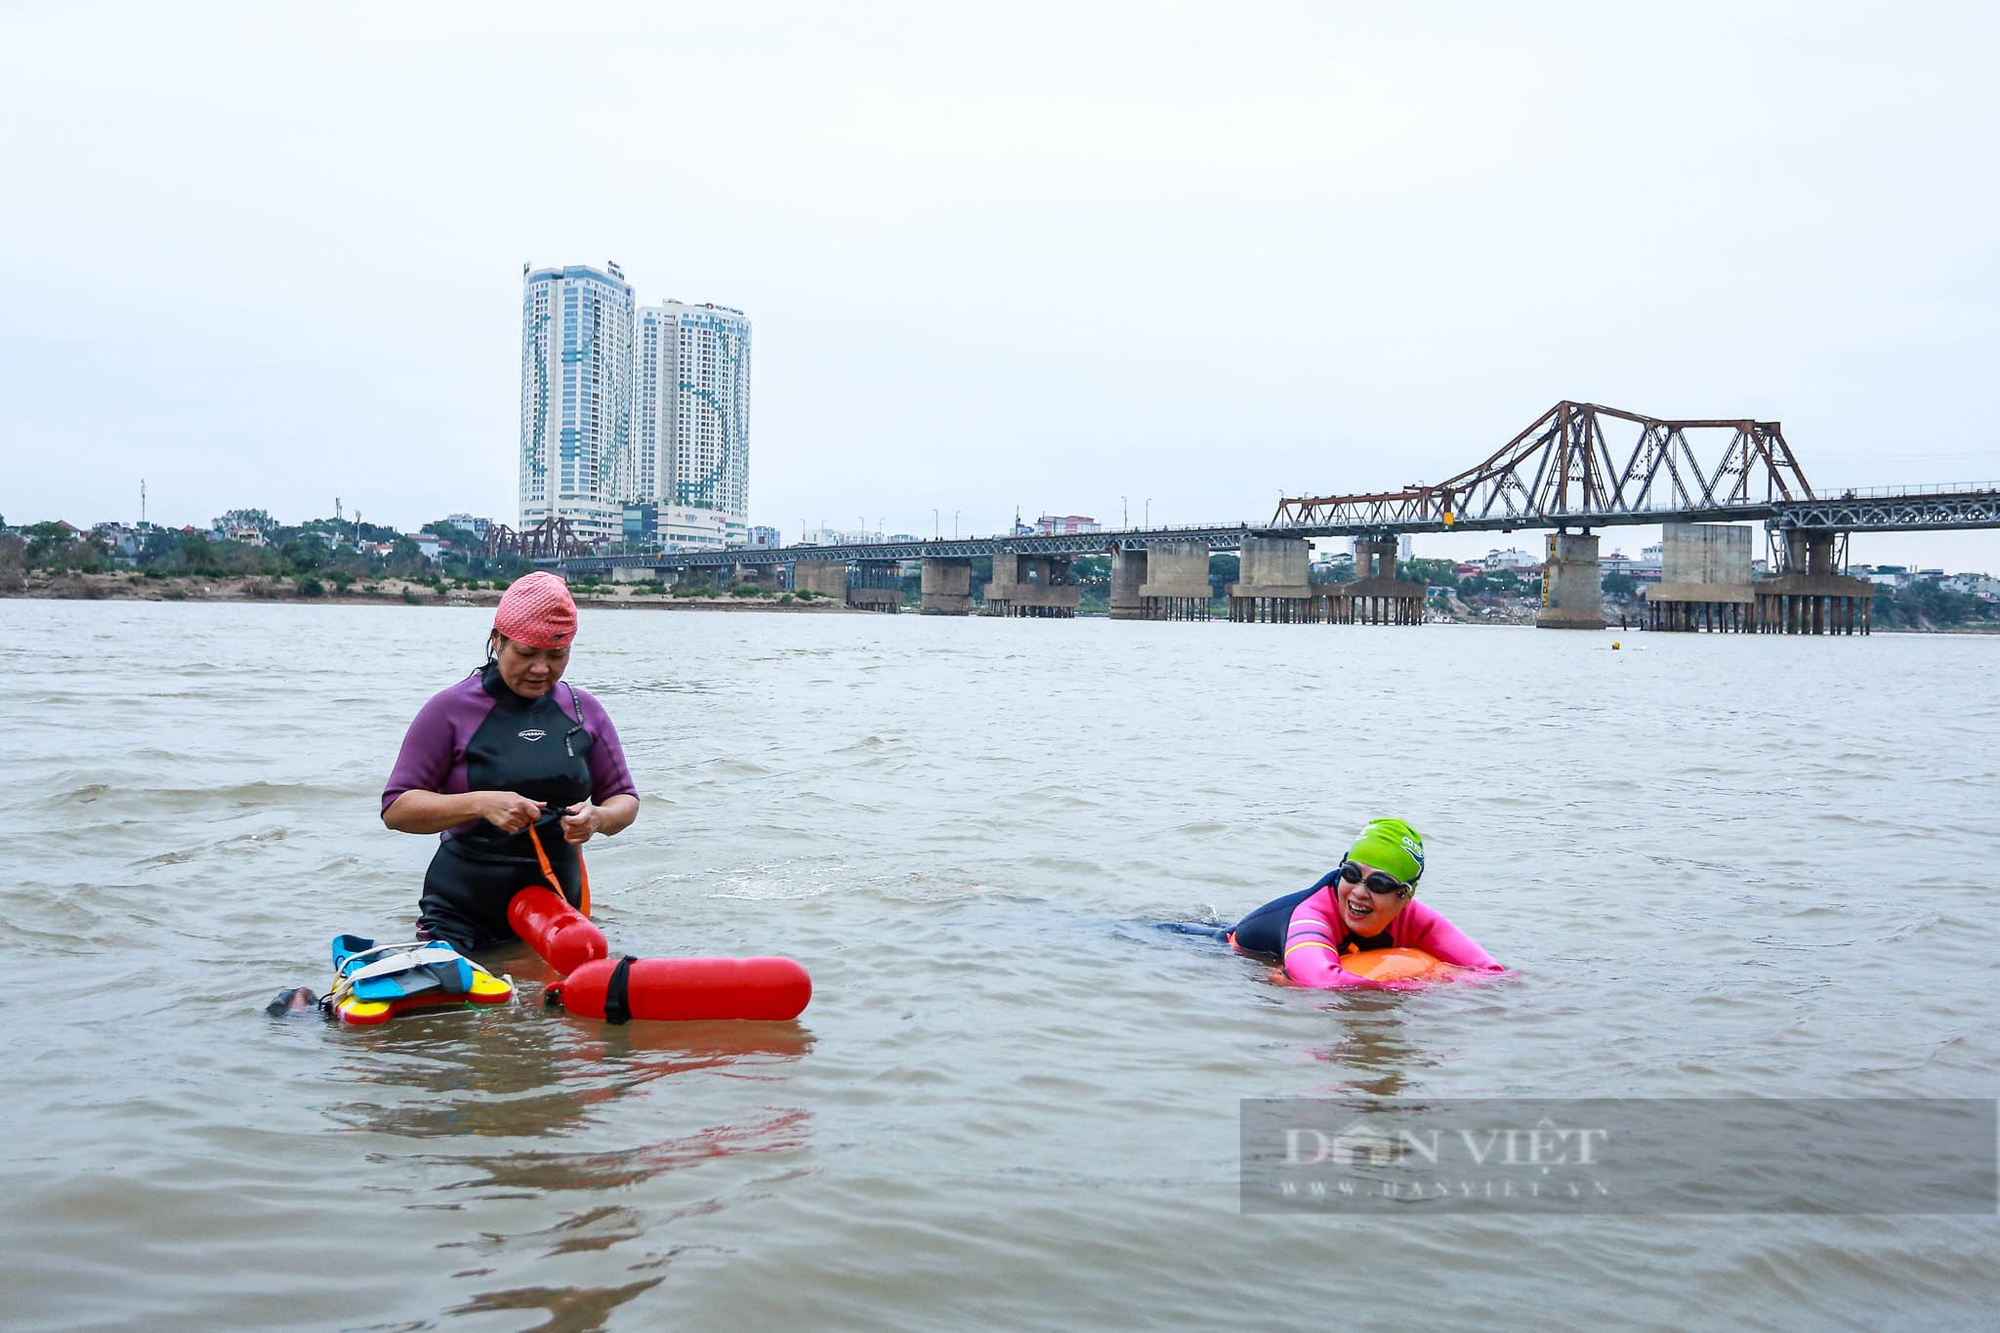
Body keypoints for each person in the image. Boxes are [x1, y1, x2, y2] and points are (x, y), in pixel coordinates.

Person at [381, 572, 639, 953]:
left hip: (559, 914)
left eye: (556, 656)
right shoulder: (450, 710)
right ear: (497, 640)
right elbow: (396, 809)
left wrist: (597, 819)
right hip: (461, 913)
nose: (541, 669)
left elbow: (625, 798)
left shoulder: (585, 711)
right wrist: (480, 803)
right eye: (526, 653)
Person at [1227, 819, 1503, 988]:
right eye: (1350, 874)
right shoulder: (1312, 914)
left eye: (1379, 884)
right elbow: (1318, 982)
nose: (1359, 891)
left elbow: (1491, 974)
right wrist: (1422, 984)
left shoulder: (1415, 920)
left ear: (1405, 896)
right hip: (1224, 950)